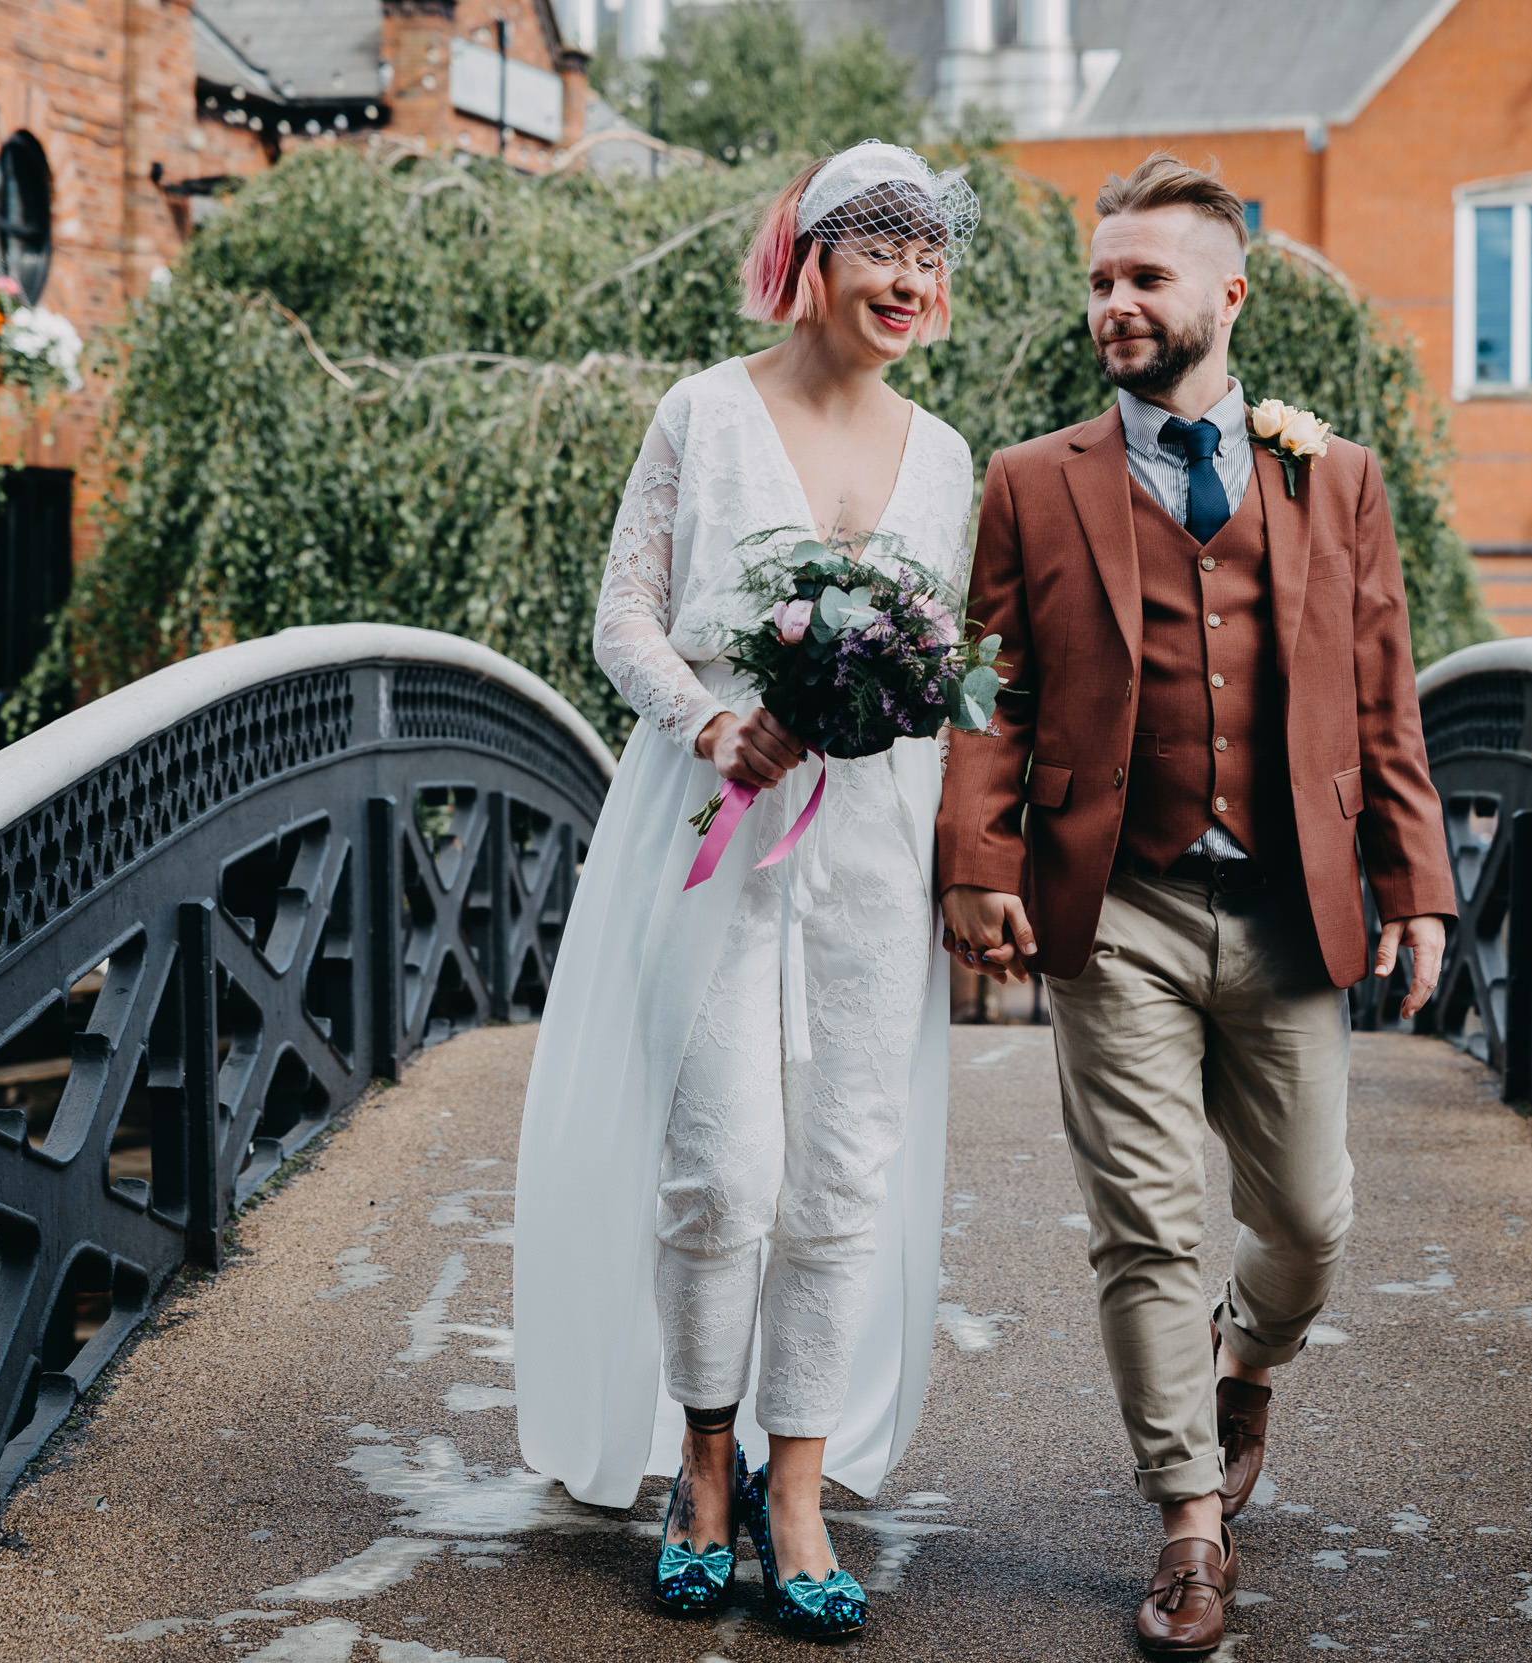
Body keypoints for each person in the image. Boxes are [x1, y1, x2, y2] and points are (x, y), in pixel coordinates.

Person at [935, 154, 1456, 1657]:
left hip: (1293, 902)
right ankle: (1185, 1526)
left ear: (1229, 294)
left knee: (1305, 1220)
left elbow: (1383, 694)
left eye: (1145, 279)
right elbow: (991, 689)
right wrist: (976, 864)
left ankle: (1247, 1369)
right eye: (1100, 280)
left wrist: (1416, 884)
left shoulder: (1333, 475)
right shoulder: (1035, 481)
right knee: (1148, 1229)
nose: (1114, 303)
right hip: (1120, 902)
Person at [513, 141, 979, 1642]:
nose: (909, 281)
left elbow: (949, 659)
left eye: (930, 256)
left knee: (845, 1166)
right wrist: (714, 718)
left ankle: (800, 1488)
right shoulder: (702, 415)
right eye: (881, 248)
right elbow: (623, 612)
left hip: (871, 841)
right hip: (715, 814)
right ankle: (700, 1471)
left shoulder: (948, 456)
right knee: (726, 1168)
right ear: (813, 256)